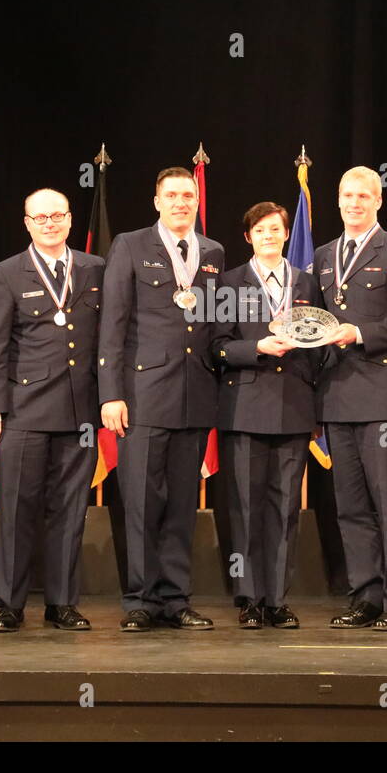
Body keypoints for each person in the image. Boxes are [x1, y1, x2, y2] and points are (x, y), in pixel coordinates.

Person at [98, 167, 224, 631]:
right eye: (171, 195)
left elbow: (213, 322)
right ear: (156, 202)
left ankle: (176, 599)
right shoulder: (130, 245)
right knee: (142, 501)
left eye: (187, 195)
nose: (180, 203)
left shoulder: (213, 251)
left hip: (195, 395)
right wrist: (111, 394)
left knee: (182, 503)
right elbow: (112, 324)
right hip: (142, 395)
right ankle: (139, 599)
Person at [0, 189, 104, 632]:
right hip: (24, 410)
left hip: (80, 413)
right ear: (27, 223)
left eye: (58, 215)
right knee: (17, 509)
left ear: (69, 220)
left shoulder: (94, 268)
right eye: (40, 217)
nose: (50, 223)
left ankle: (62, 603)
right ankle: (10, 604)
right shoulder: (7, 274)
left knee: (70, 512)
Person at [313, 166, 387, 630]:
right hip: (336, 397)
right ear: (337, 199)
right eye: (346, 195)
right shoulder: (322, 255)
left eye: (363, 195)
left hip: (382, 397)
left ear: (379, 201)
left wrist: (360, 332)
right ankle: (366, 596)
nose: (354, 203)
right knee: (352, 506)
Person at [212, 202, 318, 629]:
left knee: (285, 507)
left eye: (275, 229)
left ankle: (276, 598)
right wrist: (256, 347)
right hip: (244, 408)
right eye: (260, 230)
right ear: (248, 237)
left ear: (286, 233)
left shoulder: (307, 282)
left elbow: (322, 341)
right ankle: (248, 598)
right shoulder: (228, 283)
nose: (269, 235)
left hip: (294, 407)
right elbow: (216, 345)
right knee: (245, 508)